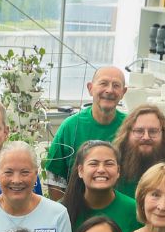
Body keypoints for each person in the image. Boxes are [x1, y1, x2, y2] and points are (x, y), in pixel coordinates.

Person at [44, 66, 128, 198]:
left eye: (116, 85)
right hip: (77, 211)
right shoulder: (70, 127)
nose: (110, 90)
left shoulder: (131, 127)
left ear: (123, 92)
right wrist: (65, 213)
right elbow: (55, 178)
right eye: (103, 83)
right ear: (90, 88)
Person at [61, 140, 141, 232]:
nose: (101, 170)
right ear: (80, 170)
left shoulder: (135, 210)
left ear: (118, 171)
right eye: (93, 164)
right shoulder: (61, 211)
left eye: (109, 164)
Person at [111, 104, 165, 198]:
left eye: (153, 131)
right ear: (127, 134)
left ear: (163, 135)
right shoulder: (112, 169)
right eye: (139, 131)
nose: (146, 137)